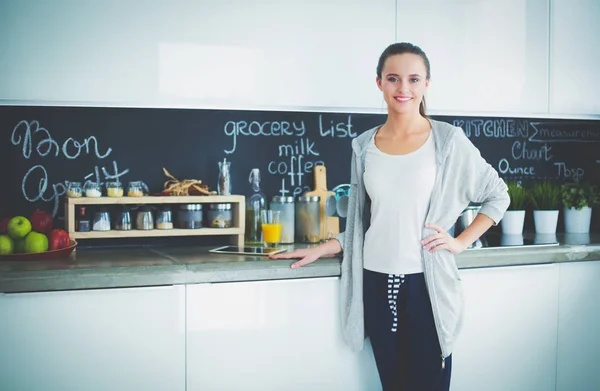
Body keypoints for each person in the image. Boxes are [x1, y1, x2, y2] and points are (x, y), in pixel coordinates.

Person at [271, 42, 510, 390]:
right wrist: (326, 247)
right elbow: (363, 220)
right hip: (376, 282)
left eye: (414, 79)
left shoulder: (447, 141)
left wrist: (460, 242)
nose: (403, 89)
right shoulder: (364, 146)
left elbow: (497, 195)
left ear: (427, 84)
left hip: (426, 286)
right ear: (379, 82)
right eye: (393, 78)